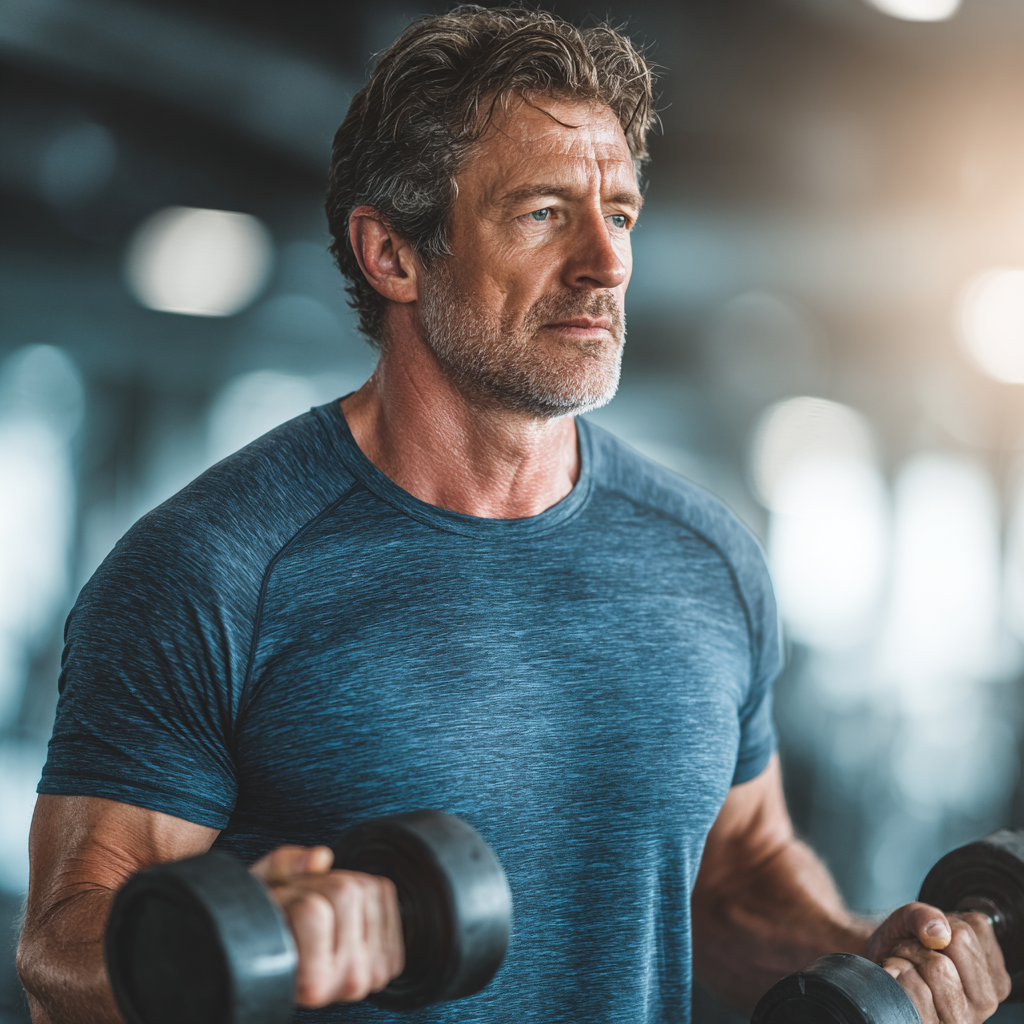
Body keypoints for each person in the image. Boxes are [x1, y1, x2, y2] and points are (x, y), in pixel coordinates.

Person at [16, 7, 1010, 1023]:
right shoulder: (211, 567)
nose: (606, 263)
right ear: (393, 254)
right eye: (541, 212)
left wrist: (869, 954)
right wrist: (241, 930)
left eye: (618, 213)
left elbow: (735, 879)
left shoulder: (706, 559)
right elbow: (58, 951)